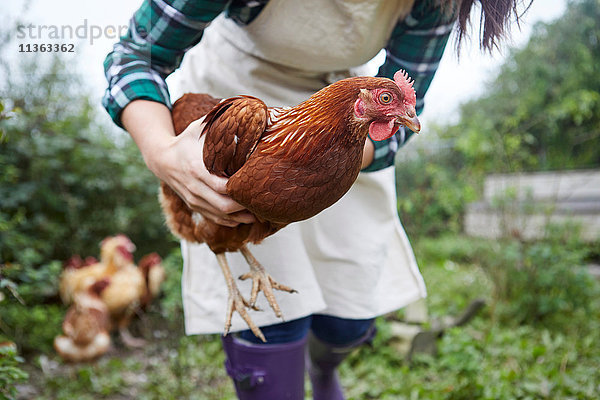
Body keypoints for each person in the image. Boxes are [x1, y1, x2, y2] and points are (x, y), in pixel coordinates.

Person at [103, 1, 522, 398]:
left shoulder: (439, 3)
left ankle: (323, 367)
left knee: (349, 318)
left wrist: (327, 159)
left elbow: (407, 112)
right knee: (270, 317)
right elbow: (135, 56)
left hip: (338, 124)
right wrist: (163, 153)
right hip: (239, 106)